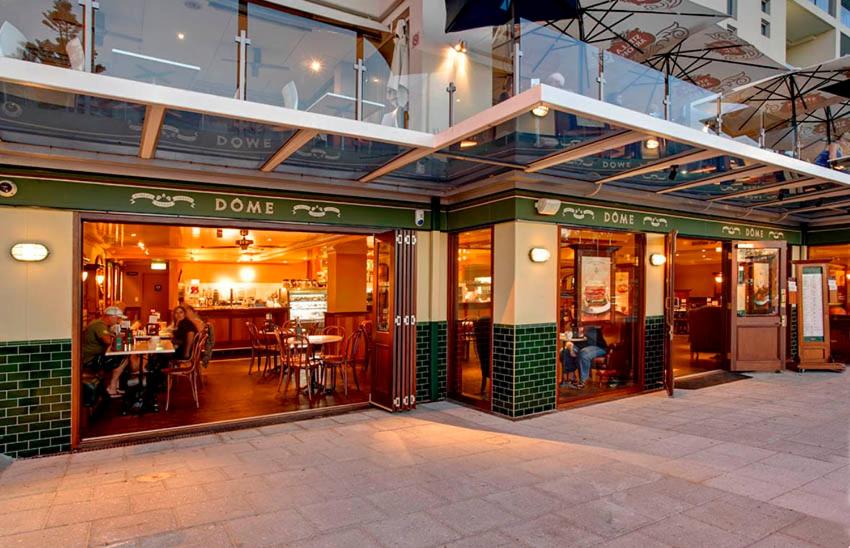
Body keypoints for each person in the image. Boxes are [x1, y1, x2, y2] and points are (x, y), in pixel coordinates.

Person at [81, 306, 128, 397]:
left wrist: (114, 335)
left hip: (94, 356)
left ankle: (115, 386)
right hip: (91, 359)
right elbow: (107, 341)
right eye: (118, 318)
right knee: (123, 358)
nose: (119, 321)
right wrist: (118, 336)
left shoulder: (103, 325)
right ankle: (112, 386)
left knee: (122, 357)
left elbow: (110, 338)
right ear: (110, 317)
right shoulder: (99, 325)